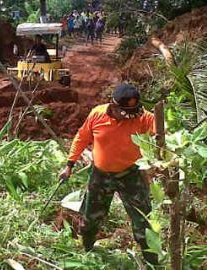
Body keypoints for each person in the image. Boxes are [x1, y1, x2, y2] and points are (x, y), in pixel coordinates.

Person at [60, 84, 158, 266]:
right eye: (125, 112)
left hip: (131, 176)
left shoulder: (142, 117)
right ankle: (87, 252)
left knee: (144, 222)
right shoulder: (97, 114)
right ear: (113, 106)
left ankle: (153, 262)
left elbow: (162, 130)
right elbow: (82, 137)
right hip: (101, 175)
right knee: (90, 218)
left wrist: (170, 135)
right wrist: (69, 165)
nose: (130, 117)